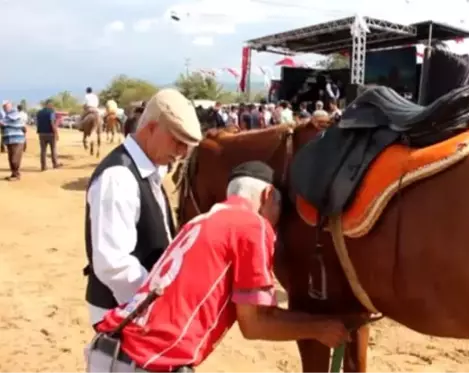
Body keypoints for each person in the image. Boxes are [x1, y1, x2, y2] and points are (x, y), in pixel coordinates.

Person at [85, 161, 350, 373]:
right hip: (148, 363)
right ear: (268, 195)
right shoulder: (252, 225)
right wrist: (320, 327)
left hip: (111, 351)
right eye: (280, 208)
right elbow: (255, 324)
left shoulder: (201, 220)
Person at [83, 88, 202, 330]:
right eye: (177, 141)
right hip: (124, 313)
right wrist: (156, 304)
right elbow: (113, 263)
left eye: (186, 146)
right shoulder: (119, 177)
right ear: (150, 128)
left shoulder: (148, 170)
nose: (181, 153)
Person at [0, 101, 27, 181]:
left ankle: (17, 175)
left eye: (6, 106)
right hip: (10, 140)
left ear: (11, 106)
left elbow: (3, 122)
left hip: (17, 140)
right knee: (11, 158)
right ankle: (13, 174)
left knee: (15, 159)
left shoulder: (14, 113)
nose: (5, 108)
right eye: (4, 107)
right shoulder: (6, 115)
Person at [36, 99, 62, 171]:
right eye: (52, 104)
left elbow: (37, 123)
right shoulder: (51, 112)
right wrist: (56, 133)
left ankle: (43, 166)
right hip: (50, 133)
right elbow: (52, 123)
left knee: (43, 150)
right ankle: (55, 164)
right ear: (49, 104)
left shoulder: (39, 113)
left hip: (41, 134)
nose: (52, 106)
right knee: (53, 149)